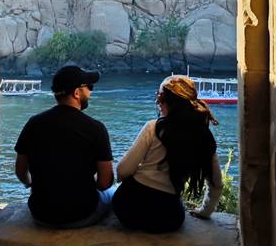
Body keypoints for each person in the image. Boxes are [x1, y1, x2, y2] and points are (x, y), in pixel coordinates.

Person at [112, 75, 223, 233]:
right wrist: (205, 211)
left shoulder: (153, 127)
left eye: (160, 97)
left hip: (128, 207)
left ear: (169, 102)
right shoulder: (203, 138)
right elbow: (216, 183)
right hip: (168, 218)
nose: (158, 103)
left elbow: (122, 170)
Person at [14, 65, 114, 228]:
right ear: (76, 93)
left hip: (41, 213)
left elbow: (20, 170)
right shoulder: (96, 129)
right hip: (82, 214)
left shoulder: (33, 123)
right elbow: (104, 182)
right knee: (112, 191)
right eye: (89, 87)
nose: (90, 92)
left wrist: (30, 183)